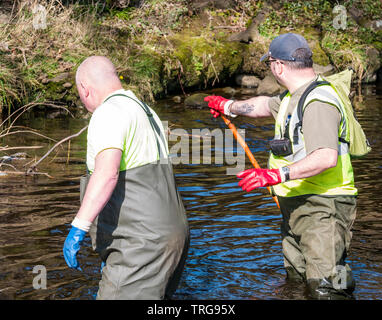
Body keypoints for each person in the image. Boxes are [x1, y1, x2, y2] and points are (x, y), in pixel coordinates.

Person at [204, 33, 357, 300]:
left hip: (324, 205)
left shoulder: (318, 101)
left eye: (269, 65)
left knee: (326, 287)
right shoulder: (293, 96)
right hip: (298, 203)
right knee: (298, 282)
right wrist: (230, 106)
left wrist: (275, 175)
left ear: (277, 66)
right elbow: (264, 104)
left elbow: (326, 157)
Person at [63, 56, 189, 300]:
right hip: (172, 237)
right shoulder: (145, 111)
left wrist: (79, 227)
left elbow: (107, 173)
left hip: (141, 245)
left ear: (85, 89)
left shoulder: (108, 112)